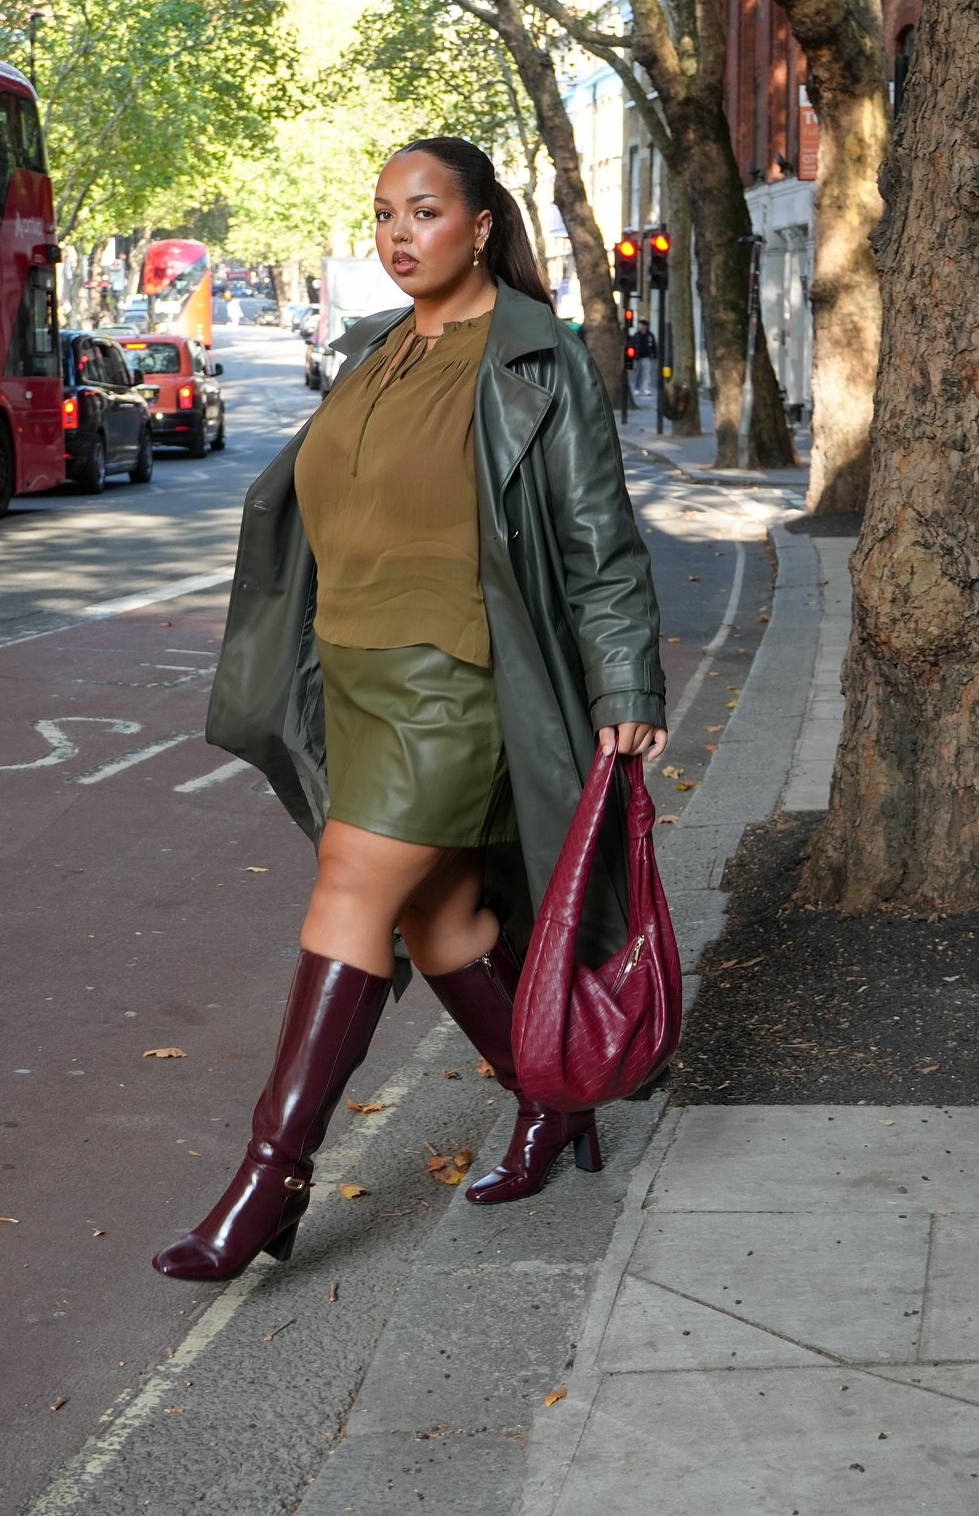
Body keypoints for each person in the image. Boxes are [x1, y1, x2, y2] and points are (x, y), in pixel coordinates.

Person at [154, 137, 667, 1283]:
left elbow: (599, 537)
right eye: (384, 213)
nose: (398, 234)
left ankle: (268, 1180)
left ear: (481, 224)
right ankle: (555, 1102)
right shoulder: (370, 349)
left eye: (424, 212)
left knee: (351, 881)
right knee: (443, 925)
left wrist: (625, 681)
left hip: (462, 678)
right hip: (350, 672)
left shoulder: (535, 359)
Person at [632, 317, 658, 398]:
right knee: (638, 373)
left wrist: (654, 355)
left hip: (647, 356)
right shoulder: (636, 335)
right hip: (637, 357)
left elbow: (653, 345)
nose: (641, 327)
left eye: (642, 325)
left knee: (647, 373)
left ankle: (646, 389)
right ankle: (637, 388)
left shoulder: (650, 335)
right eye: (640, 325)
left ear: (645, 326)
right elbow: (632, 345)